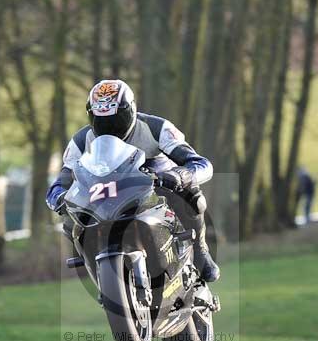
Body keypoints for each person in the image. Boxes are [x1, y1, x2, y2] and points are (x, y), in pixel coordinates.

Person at [45, 79, 220, 282]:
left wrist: (181, 175)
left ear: (131, 110)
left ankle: (200, 251)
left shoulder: (156, 127)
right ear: (91, 116)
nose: (110, 127)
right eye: (102, 121)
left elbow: (199, 163)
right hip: (108, 192)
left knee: (191, 193)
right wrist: (58, 196)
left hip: (156, 182)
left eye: (116, 119)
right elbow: (62, 179)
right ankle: (96, 267)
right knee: (71, 216)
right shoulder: (80, 140)